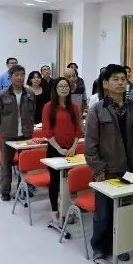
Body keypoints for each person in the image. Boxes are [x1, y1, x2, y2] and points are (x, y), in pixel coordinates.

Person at [85, 64, 133, 262]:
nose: (121, 82)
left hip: (130, 170)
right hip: (107, 171)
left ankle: (119, 244)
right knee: (103, 213)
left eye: (123, 79)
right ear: (105, 84)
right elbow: (90, 145)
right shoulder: (97, 110)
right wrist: (99, 169)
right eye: (115, 79)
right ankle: (99, 246)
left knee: (124, 211)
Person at [0, 64, 35, 201]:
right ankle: (5, 191)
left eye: (22, 75)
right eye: (16, 75)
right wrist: (3, 128)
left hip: (26, 134)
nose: (19, 77)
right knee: (6, 165)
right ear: (10, 77)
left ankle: (24, 189)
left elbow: (33, 112)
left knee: (25, 164)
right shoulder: (2, 95)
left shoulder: (30, 93)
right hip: (8, 135)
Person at [42, 77, 82, 223]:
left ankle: (66, 208)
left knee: (69, 181)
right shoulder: (48, 107)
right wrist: (59, 149)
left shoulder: (74, 107)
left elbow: (78, 129)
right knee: (55, 181)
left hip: (71, 150)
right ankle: (55, 210)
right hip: (55, 149)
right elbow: (47, 131)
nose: (64, 89)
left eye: (66, 86)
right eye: (61, 86)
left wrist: (73, 147)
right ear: (55, 89)